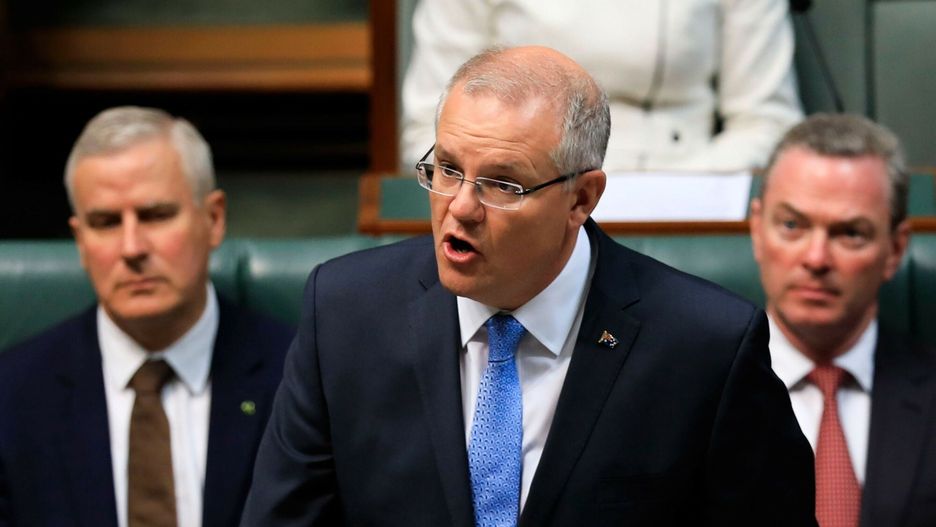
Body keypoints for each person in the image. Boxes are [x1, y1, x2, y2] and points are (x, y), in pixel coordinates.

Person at [241, 46, 815, 526]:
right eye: (447, 169)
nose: (460, 208)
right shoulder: (344, 314)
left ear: (581, 198)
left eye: (502, 184)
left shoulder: (705, 346)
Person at [0, 106, 293, 527]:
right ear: (80, 241)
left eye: (156, 215)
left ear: (213, 219)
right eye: (105, 222)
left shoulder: (300, 377)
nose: (132, 247)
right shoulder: (12, 396)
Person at [750, 113, 936, 526]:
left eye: (851, 233)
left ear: (895, 249)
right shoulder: (691, 393)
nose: (816, 258)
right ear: (757, 229)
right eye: (792, 225)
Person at [401, 0, 803, 173]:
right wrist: (510, 189)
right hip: (518, 194)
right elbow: (427, 129)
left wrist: (677, 194)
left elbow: (768, 122)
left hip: (681, 190)